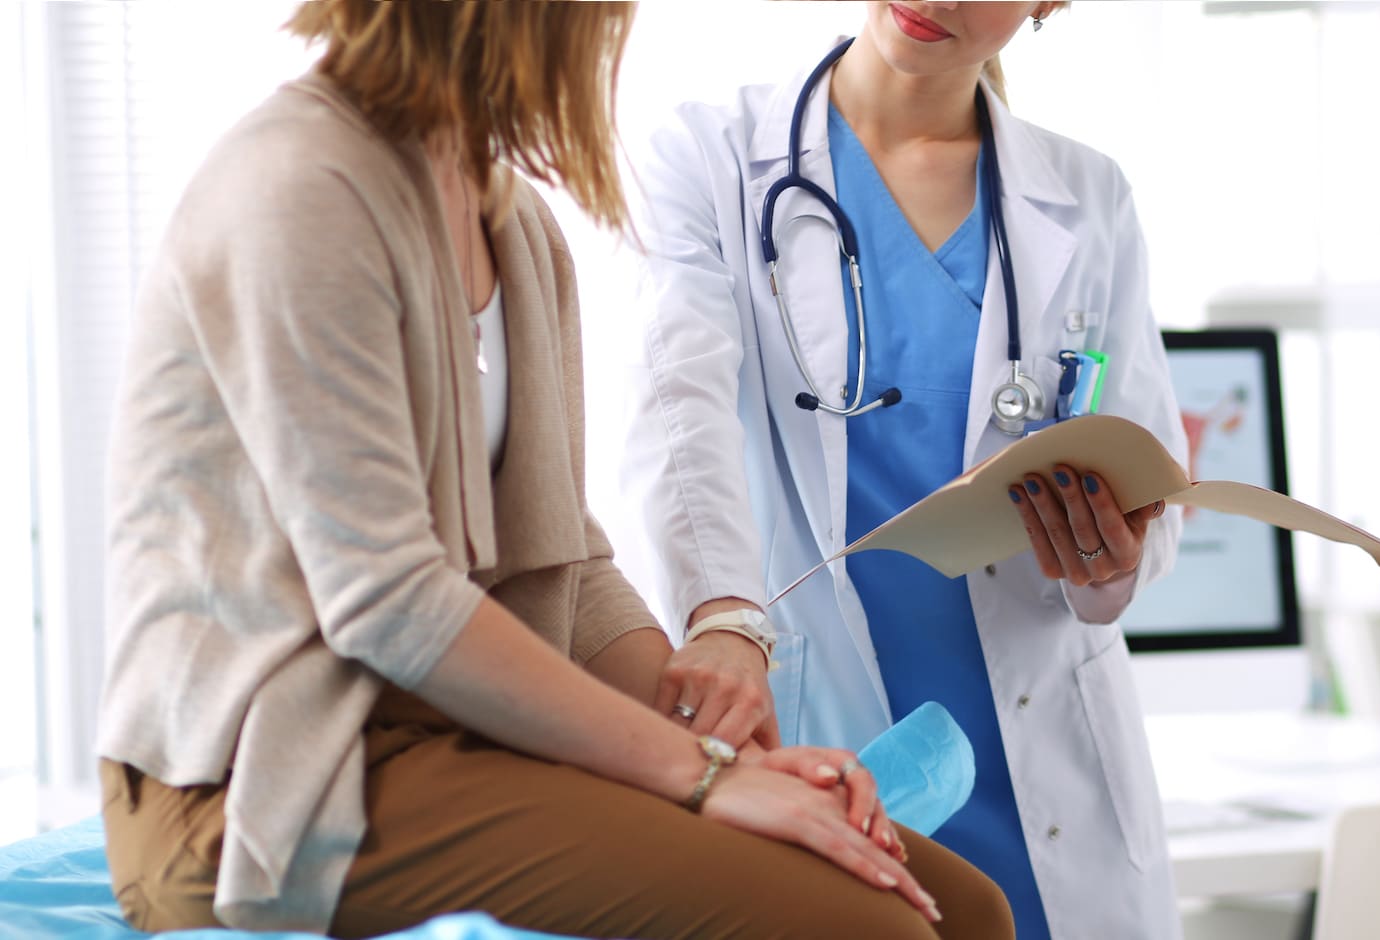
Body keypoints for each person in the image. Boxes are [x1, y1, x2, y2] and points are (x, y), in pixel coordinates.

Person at [93, 3, 1013, 938]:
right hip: (267, 784)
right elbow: (388, 598)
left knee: (966, 910)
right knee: (875, 929)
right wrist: (696, 776)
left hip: (446, 742)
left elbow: (565, 557)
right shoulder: (301, 187)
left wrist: (716, 742)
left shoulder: (514, 221)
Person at [622, 3, 1187, 937]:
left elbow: (1147, 468)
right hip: (833, 733)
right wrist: (721, 614)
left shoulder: (1088, 197)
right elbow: (674, 407)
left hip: (1046, 766)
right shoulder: (708, 156)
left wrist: (1114, 560)